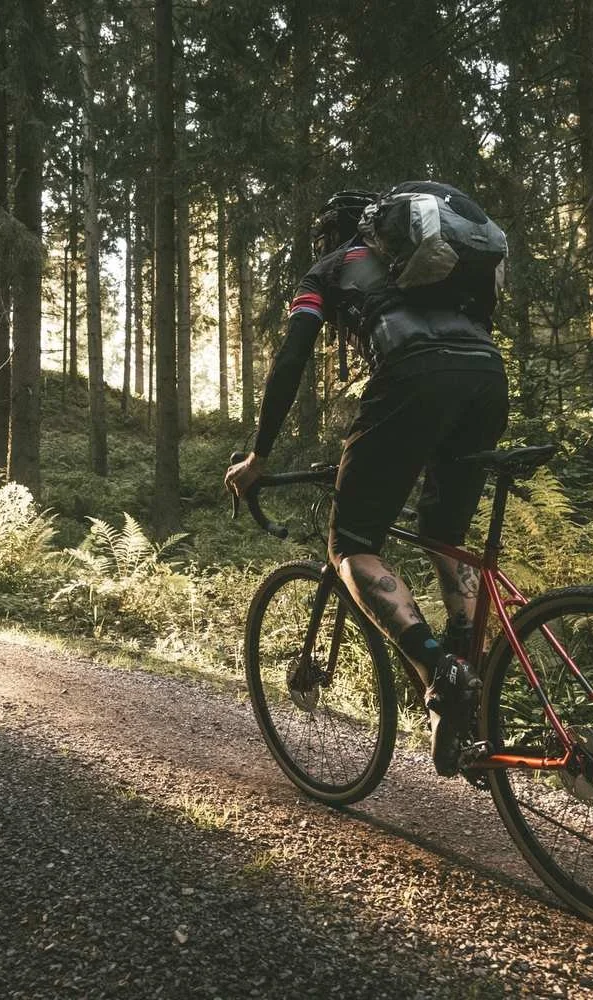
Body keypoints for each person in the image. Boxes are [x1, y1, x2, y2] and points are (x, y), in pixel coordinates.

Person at [225, 182, 510, 777]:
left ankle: (439, 670)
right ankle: (470, 680)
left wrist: (259, 454)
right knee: (444, 534)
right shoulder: (440, 267)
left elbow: (291, 360)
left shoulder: (330, 268)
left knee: (352, 545)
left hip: (414, 376)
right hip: (487, 376)